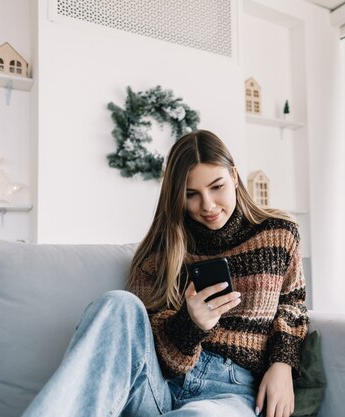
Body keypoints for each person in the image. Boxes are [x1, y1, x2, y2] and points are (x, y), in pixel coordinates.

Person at [21, 130, 309, 417]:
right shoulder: (160, 252)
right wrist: (190, 323)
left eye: (217, 186)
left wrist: (282, 364)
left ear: (234, 176)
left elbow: (293, 305)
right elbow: (152, 353)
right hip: (159, 387)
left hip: (231, 394)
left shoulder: (278, 233)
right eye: (191, 194)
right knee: (118, 303)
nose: (207, 205)